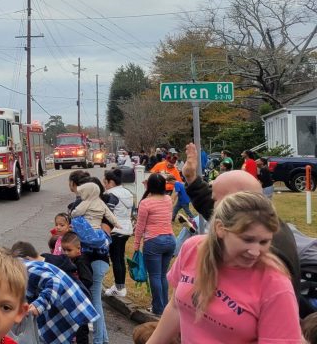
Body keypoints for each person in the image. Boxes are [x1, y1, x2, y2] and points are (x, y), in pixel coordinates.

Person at [146, 191, 302, 343]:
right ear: (220, 228)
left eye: (264, 242)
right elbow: (175, 308)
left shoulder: (275, 285)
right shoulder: (193, 249)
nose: (255, 252)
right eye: (247, 240)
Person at [181, 142, 314, 318]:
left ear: (237, 201)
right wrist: (191, 179)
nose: (215, 207)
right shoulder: (260, 224)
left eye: (217, 200)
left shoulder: (266, 251)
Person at [10, 241, 98, 344]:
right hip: (62, 311)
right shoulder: (28, 267)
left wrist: (39, 305)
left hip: (71, 309)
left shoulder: (24, 268)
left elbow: (55, 282)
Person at [69, 181, 116, 344]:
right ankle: (103, 338)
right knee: (96, 298)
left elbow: (74, 214)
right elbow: (113, 221)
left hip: (90, 255)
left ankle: (98, 340)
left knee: (94, 299)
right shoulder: (103, 204)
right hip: (102, 255)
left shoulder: (85, 204)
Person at [134, 172, 176, 315]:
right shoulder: (168, 199)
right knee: (163, 275)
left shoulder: (145, 203)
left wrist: (136, 245)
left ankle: (158, 308)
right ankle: (165, 307)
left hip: (153, 241)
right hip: (170, 239)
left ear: (150, 186)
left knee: (155, 276)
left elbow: (140, 227)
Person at [59, 233, 94, 344]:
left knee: (81, 330)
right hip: (72, 300)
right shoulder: (68, 261)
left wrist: (74, 287)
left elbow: (88, 280)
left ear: (78, 249)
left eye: (69, 250)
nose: (65, 253)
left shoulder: (81, 261)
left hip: (81, 301)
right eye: (63, 250)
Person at [103, 169, 134, 298]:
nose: (104, 184)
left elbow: (107, 214)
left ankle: (120, 287)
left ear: (111, 182)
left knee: (116, 259)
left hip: (114, 230)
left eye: (105, 182)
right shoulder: (128, 193)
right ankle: (119, 286)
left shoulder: (110, 195)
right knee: (120, 258)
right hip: (126, 229)